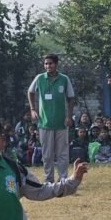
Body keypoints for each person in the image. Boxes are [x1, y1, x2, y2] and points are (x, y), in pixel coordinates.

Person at [27, 54, 76, 183]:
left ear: (56, 64)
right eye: (46, 64)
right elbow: (30, 92)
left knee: (62, 154)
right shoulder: (39, 78)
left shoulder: (64, 79)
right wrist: (33, 109)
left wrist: (69, 116)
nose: (48, 66)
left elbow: (71, 98)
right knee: (47, 155)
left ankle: (63, 179)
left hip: (61, 123)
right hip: (45, 123)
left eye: (51, 63)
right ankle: (48, 179)